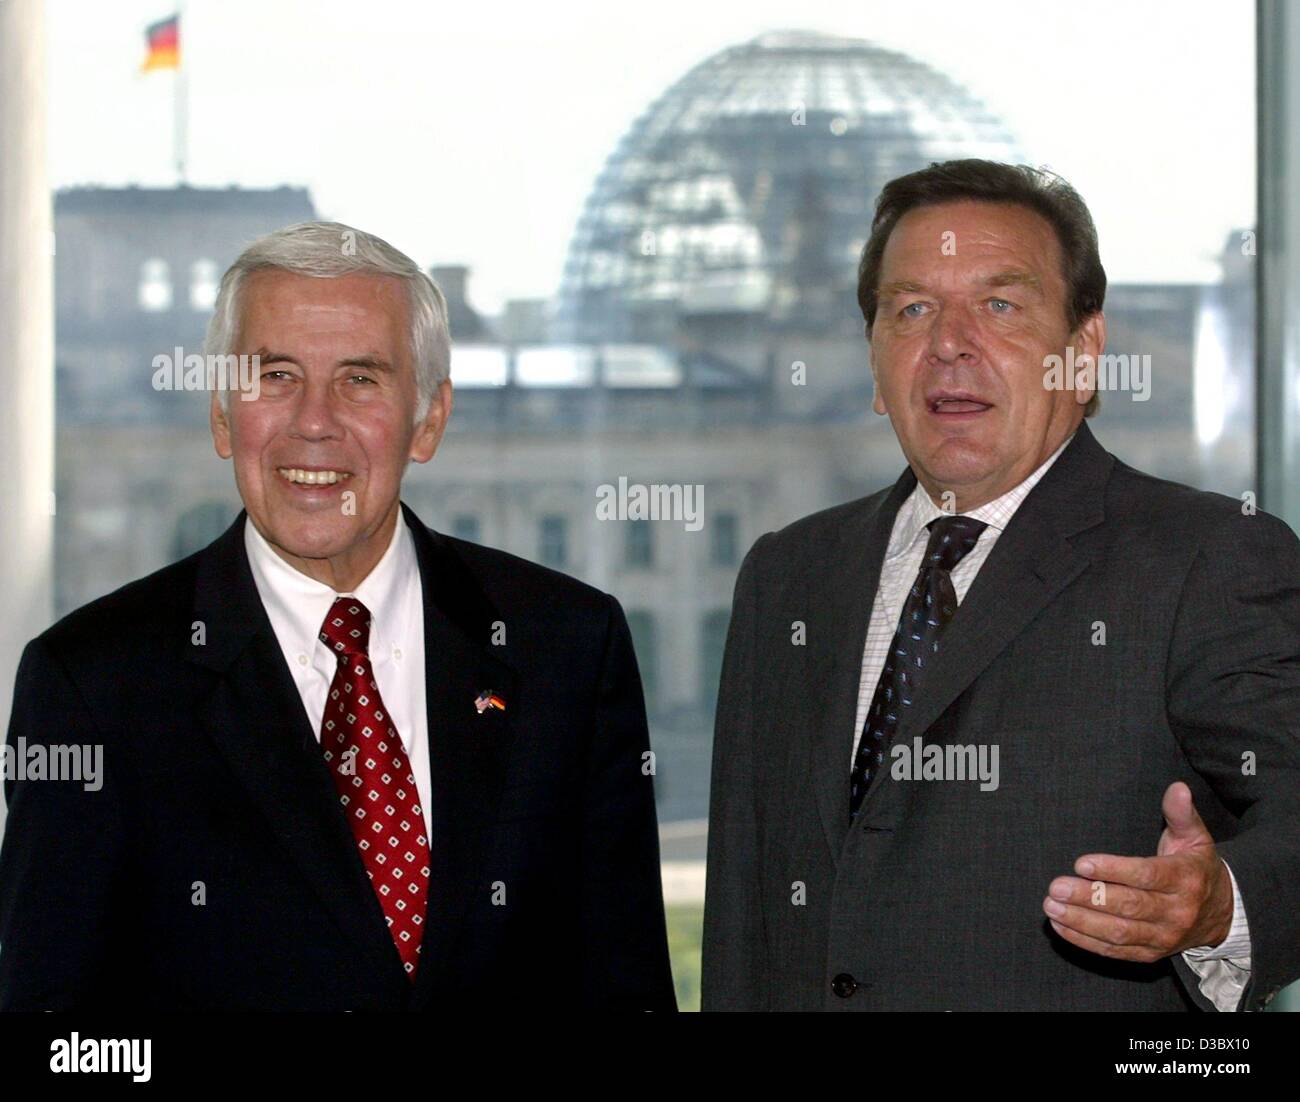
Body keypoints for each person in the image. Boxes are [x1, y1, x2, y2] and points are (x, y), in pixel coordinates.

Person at [0, 221, 676, 1011]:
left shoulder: (569, 646)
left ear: (429, 420)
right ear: (223, 415)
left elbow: (624, 988)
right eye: (276, 375)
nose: (313, 421)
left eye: (360, 379)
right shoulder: (91, 686)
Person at [702, 160, 1300, 1012]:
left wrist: (1218, 906)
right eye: (910, 309)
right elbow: (744, 912)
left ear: (1082, 353)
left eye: (1000, 305)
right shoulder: (787, 573)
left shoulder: (1208, 557)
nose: (948, 341)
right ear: (875, 362)